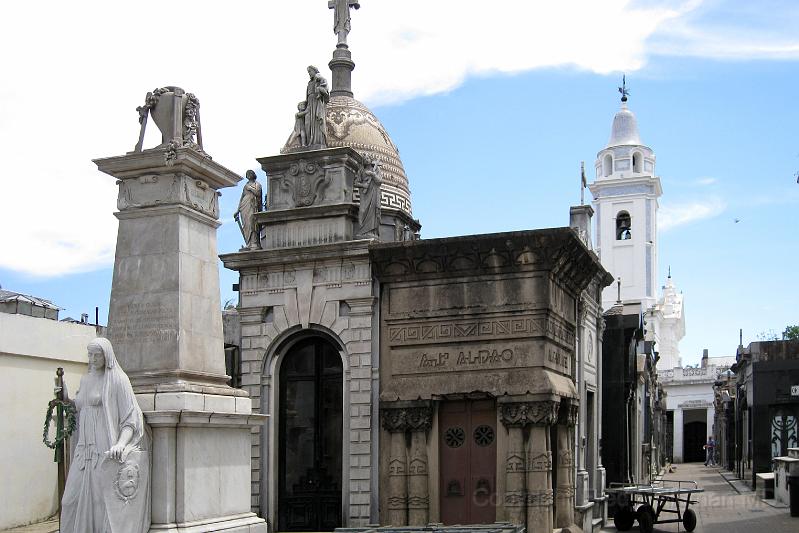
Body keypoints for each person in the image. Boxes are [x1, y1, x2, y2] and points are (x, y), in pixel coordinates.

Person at [60, 338, 149, 533]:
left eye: (97, 355)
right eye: (90, 354)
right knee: (69, 501)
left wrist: (121, 444)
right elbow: (80, 408)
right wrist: (67, 399)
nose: (92, 359)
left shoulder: (118, 379)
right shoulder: (86, 379)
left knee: (102, 501)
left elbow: (130, 418)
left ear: (106, 355)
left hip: (105, 446)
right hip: (84, 450)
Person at [234, 170, 263, 249]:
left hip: (253, 205)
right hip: (244, 206)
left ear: (253, 175)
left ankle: (254, 243)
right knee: (246, 225)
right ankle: (248, 243)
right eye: (247, 174)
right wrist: (238, 210)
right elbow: (242, 197)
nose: (249, 175)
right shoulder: (245, 185)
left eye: (250, 174)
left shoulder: (257, 184)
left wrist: (250, 188)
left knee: (252, 223)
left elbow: (258, 193)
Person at [355, 155, 383, 238]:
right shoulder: (361, 171)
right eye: (364, 159)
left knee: (373, 212)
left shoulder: (376, 169)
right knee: (362, 211)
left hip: (374, 193)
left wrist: (373, 175)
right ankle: (361, 231)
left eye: (367, 158)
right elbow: (356, 183)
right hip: (364, 194)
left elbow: (380, 181)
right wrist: (363, 185)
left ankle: (372, 232)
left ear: (371, 160)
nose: (366, 160)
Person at [304, 66, 329, 147]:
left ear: (315, 71)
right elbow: (307, 96)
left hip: (317, 103)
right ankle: (309, 142)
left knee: (317, 122)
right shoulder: (309, 83)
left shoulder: (321, 80)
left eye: (310, 71)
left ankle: (317, 141)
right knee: (307, 123)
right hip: (309, 104)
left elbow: (325, 91)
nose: (309, 74)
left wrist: (319, 89)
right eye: (308, 72)